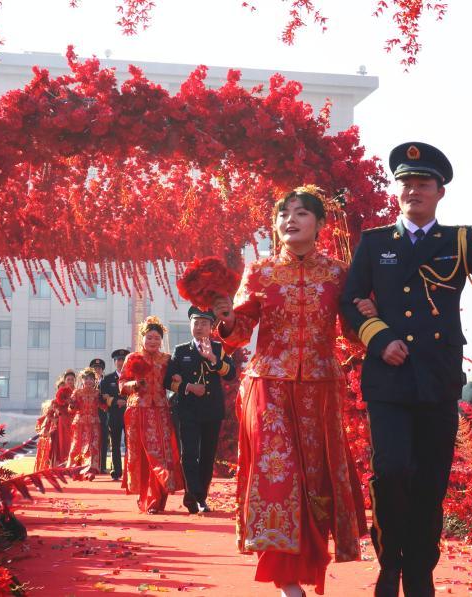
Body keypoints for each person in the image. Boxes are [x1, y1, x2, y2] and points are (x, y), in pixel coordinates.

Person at [340, 141, 472, 597]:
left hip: (436, 379)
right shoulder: (374, 243)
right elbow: (349, 300)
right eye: (406, 183)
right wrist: (379, 336)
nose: (413, 191)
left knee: (430, 478)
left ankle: (420, 568)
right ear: (397, 191)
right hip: (388, 380)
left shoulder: (458, 240)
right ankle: (390, 564)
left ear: (439, 192)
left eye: (422, 184)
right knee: (390, 472)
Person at [212, 185, 367, 597]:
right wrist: (227, 321)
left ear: (319, 224)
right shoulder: (259, 271)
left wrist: (371, 317)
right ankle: (286, 581)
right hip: (268, 386)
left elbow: (352, 336)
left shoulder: (338, 272)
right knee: (276, 474)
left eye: (300, 213)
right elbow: (240, 332)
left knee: (313, 482)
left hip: (320, 387)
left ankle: (307, 566)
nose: (289, 221)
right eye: (283, 214)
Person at [164, 306, 236, 514]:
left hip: (212, 409)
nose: (199, 327)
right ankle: (192, 493)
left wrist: (214, 359)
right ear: (190, 326)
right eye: (196, 323)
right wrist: (187, 387)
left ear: (211, 327)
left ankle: (200, 497)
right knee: (189, 454)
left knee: (207, 455)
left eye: (204, 323)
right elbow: (168, 381)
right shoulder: (180, 351)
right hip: (187, 409)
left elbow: (231, 374)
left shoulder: (218, 348)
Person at [120, 316, 184, 514]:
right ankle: (145, 498)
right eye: (149, 337)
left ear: (161, 339)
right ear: (142, 338)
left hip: (161, 411)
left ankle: (157, 499)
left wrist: (177, 379)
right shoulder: (132, 358)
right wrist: (134, 385)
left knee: (162, 454)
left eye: (157, 338)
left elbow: (173, 385)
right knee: (142, 456)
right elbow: (122, 385)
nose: (153, 341)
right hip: (138, 410)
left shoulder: (167, 359)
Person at [67, 368, 102, 480]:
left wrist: (106, 400)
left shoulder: (97, 393)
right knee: (77, 446)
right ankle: (76, 470)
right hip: (80, 424)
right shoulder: (77, 392)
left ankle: (90, 470)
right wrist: (72, 404)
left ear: (94, 381)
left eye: (91, 379)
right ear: (82, 380)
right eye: (86, 378)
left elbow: (104, 407)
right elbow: (71, 409)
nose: (88, 381)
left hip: (94, 424)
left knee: (92, 447)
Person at [101, 349, 129, 481]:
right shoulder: (107, 379)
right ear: (114, 362)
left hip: (130, 414)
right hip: (114, 415)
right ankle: (116, 471)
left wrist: (127, 401)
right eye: (118, 360)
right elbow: (102, 397)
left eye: (123, 360)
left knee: (130, 444)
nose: (120, 362)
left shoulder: (132, 377)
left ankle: (130, 471)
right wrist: (115, 401)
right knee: (115, 444)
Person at [89, 358, 109, 474]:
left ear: (102, 370)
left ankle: (102, 465)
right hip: (90, 414)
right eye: (95, 368)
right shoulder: (85, 382)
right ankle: (90, 465)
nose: (97, 370)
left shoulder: (106, 381)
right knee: (91, 440)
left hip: (104, 415)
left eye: (99, 368)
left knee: (103, 439)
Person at [53, 370, 77, 465]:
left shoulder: (77, 391)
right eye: (68, 379)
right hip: (63, 419)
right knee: (64, 441)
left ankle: (73, 462)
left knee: (74, 441)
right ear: (65, 380)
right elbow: (56, 404)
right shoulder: (61, 391)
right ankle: (63, 461)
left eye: (72, 379)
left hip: (75, 419)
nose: (70, 381)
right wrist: (62, 406)